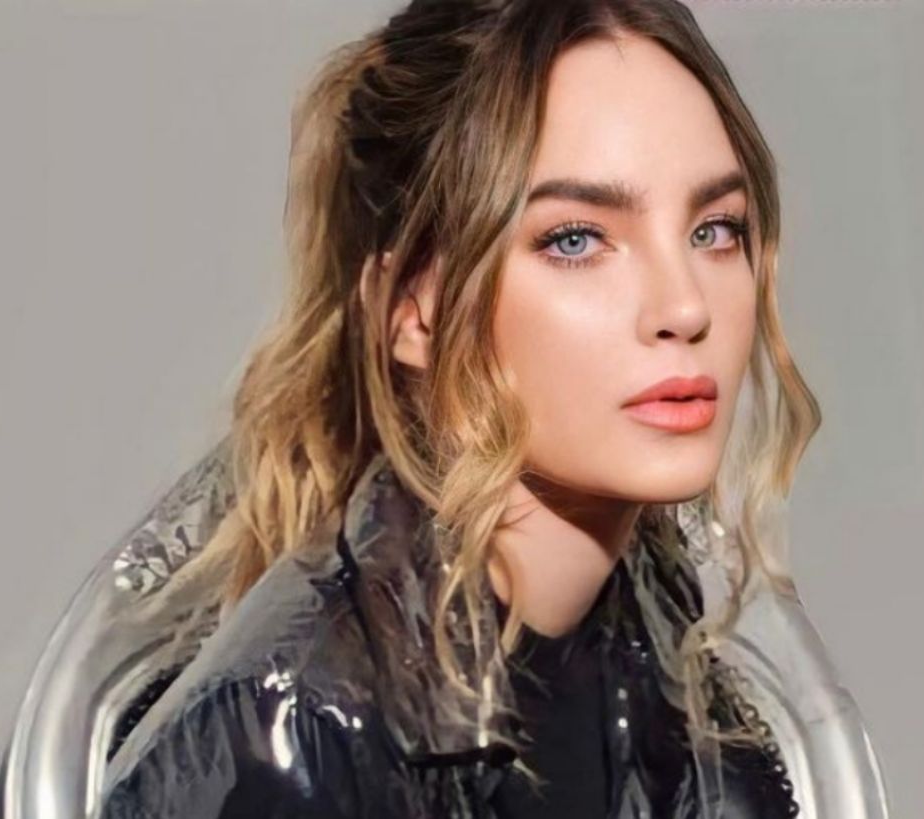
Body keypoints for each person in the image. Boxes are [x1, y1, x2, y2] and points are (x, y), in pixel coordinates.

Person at [94, 1, 834, 816]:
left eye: (715, 230)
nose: (685, 306)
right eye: (576, 239)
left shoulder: (680, 657)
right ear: (414, 309)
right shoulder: (288, 736)